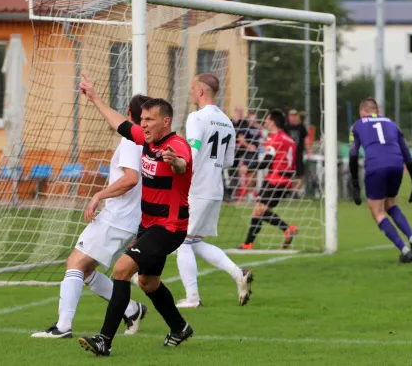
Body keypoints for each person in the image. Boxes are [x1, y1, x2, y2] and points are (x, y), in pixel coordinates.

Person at [77, 75, 193, 356]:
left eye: (149, 120)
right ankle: (180, 328)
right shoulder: (146, 140)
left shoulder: (176, 146)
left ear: (166, 121)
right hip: (149, 224)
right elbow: (119, 122)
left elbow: (182, 164)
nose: (143, 125)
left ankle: (104, 340)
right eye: (142, 120)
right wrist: (94, 97)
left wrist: (173, 161)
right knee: (147, 282)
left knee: (121, 269)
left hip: (170, 227)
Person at [31, 95, 149, 339]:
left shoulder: (130, 141)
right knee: (84, 269)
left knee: (74, 263)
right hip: (128, 218)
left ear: (128, 113)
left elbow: (130, 179)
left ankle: (63, 327)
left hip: (117, 217)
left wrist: (98, 194)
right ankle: (132, 309)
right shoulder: (147, 142)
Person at [175, 74, 254, 309]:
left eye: (192, 89)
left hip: (196, 187)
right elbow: (229, 160)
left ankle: (192, 298)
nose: (191, 93)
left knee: (182, 243)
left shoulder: (196, 118)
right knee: (195, 241)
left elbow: (192, 152)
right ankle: (238, 273)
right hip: (215, 188)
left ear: (200, 91)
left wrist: (178, 164)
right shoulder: (227, 122)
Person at [349, 97, 412, 263]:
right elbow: (407, 154)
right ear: (378, 111)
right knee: (391, 204)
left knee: (378, 211)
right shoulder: (392, 123)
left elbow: (353, 154)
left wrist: (354, 183)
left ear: (363, 113)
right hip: (397, 164)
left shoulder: (357, 125)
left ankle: (405, 250)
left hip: (376, 166)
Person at [237, 109, 297, 250]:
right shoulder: (290, 140)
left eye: (268, 120)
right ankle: (248, 243)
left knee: (260, 211)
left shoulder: (273, 138)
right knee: (259, 210)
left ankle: (287, 228)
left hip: (274, 179)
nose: (266, 123)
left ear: (273, 122)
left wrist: (249, 167)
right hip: (286, 181)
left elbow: (267, 161)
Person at [285, 109, 312, 196]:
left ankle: (295, 192)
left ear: (296, 117)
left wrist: (309, 151)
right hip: (288, 154)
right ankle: (287, 191)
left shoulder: (301, 127)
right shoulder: (286, 128)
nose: (292, 117)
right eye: (290, 116)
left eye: (294, 116)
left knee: (300, 174)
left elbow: (306, 140)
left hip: (298, 154)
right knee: (287, 174)